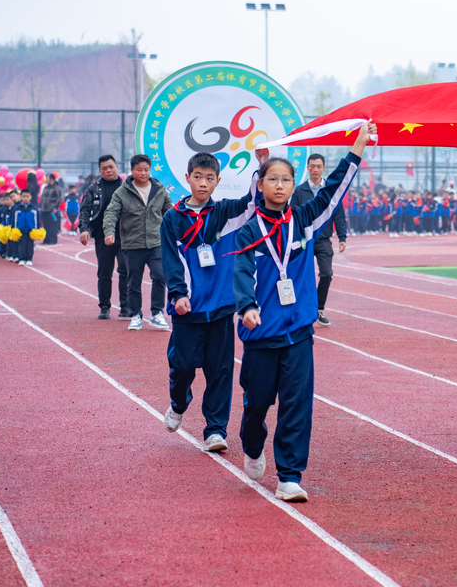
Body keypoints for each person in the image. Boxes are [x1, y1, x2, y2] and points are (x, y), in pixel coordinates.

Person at [233, 122, 375, 502]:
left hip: (298, 332)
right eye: (272, 179)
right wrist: (247, 306)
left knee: (297, 404)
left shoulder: (304, 220)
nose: (279, 185)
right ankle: (252, 444)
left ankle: (290, 476)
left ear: (293, 185)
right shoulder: (248, 232)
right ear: (260, 184)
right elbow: (242, 270)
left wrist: (357, 147)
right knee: (257, 403)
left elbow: (334, 190)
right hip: (261, 335)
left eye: (286, 180)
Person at [160, 149, 267, 452]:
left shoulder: (224, 213)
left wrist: (261, 168)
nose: (203, 183)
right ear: (187, 179)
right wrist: (178, 293)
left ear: (218, 180)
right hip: (188, 307)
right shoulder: (173, 219)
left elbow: (252, 203)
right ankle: (179, 403)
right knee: (182, 367)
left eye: (209, 178)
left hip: (220, 307)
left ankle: (215, 429)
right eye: (198, 177)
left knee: (220, 370)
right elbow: (170, 259)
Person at [102, 154, 174, 331]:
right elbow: (111, 213)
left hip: (156, 242)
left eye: (146, 170)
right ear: (132, 171)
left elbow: (170, 212)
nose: (143, 173)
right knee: (133, 281)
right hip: (132, 244)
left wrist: (177, 233)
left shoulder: (159, 189)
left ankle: (157, 313)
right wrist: (109, 232)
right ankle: (136, 315)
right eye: (139, 170)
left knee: (159, 276)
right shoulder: (122, 192)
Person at [290, 152, 348, 328]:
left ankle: (319, 309)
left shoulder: (330, 191)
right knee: (299, 275)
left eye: (318, 166)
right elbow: (293, 215)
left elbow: (338, 214)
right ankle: (299, 309)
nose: (315, 170)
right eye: (312, 166)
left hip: (323, 240)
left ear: (323, 168)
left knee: (326, 274)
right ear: (308, 168)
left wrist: (342, 237)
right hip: (304, 241)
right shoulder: (299, 191)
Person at [79, 155, 131, 320]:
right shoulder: (93, 189)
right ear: (100, 170)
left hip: (124, 236)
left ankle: (125, 306)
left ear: (116, 166)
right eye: (104, 168)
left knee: (126, 270)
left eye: (110, 167)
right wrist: (84, 229)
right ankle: (105, 307)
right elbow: (85, 210)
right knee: (104, 272)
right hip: (102, 237)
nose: (108, 170)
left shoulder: (127, 187)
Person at [12, 189, 40, 266]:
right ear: (20, 197)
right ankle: (22, 258)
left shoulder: (34, 208)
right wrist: (14, 230)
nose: (25, 198)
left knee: (30, 245)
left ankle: (29, 259)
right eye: (23, 196)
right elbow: (13, 220)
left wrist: (37, 230)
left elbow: (37, 220)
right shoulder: (17, 208)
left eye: (27, 197)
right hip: (20, 230)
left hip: (31, 230)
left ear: (30, 197)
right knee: (21, 245)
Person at [39, 173, 62, 245]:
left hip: (52, 209)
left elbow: (59, 199)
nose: (46, 180)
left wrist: (56, 207)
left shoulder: (56, 188)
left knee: (52, 225)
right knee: (45, 225)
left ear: (52, 179)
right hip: (44, 209)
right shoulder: (46, 187)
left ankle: (53, 240)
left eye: (47, 178)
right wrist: (40, 206)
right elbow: (42, 198)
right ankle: (46, 240)